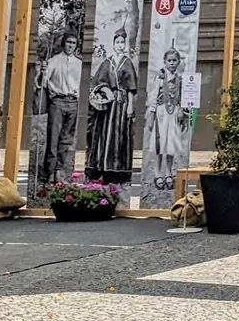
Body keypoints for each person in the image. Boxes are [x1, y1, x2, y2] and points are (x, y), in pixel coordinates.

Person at [85, 28, 138, 181]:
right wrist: (103, 92)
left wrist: (129, 106)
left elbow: (131, 86)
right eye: (118, 42)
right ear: (113, 44)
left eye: (122, 42)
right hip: (108, 105)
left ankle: (117, 168)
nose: (120, 45)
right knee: (105, 132)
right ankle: (102, 165)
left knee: (119, 133)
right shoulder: (107, 62)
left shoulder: (127, 63)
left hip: (121, 103)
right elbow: (97, 82)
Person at [141, 46, 192, 197]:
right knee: (160, 143)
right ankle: (158, 172)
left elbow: (183, 95)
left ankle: (168, 171)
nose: (172, 63)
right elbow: (153, 95)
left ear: (178, 62)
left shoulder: (180, 78)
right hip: (161, 112)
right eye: (169, 60)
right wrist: (151, 113)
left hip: (174, 111)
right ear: (164, 62)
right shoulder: (160, 77)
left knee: (171, 143)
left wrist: (183, 110)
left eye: (174, 60)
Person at [40, 31, 84, 187]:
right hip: (57, 101)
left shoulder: (79, 64)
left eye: (73, 43)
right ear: (63, 43)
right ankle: (49, 172)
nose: (70, 45)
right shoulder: (54, 61)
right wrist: (43, 72)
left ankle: (59, 171)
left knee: (66, 139)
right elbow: (44, 82)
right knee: (53, 138)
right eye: (68, 42)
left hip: (73, 102)